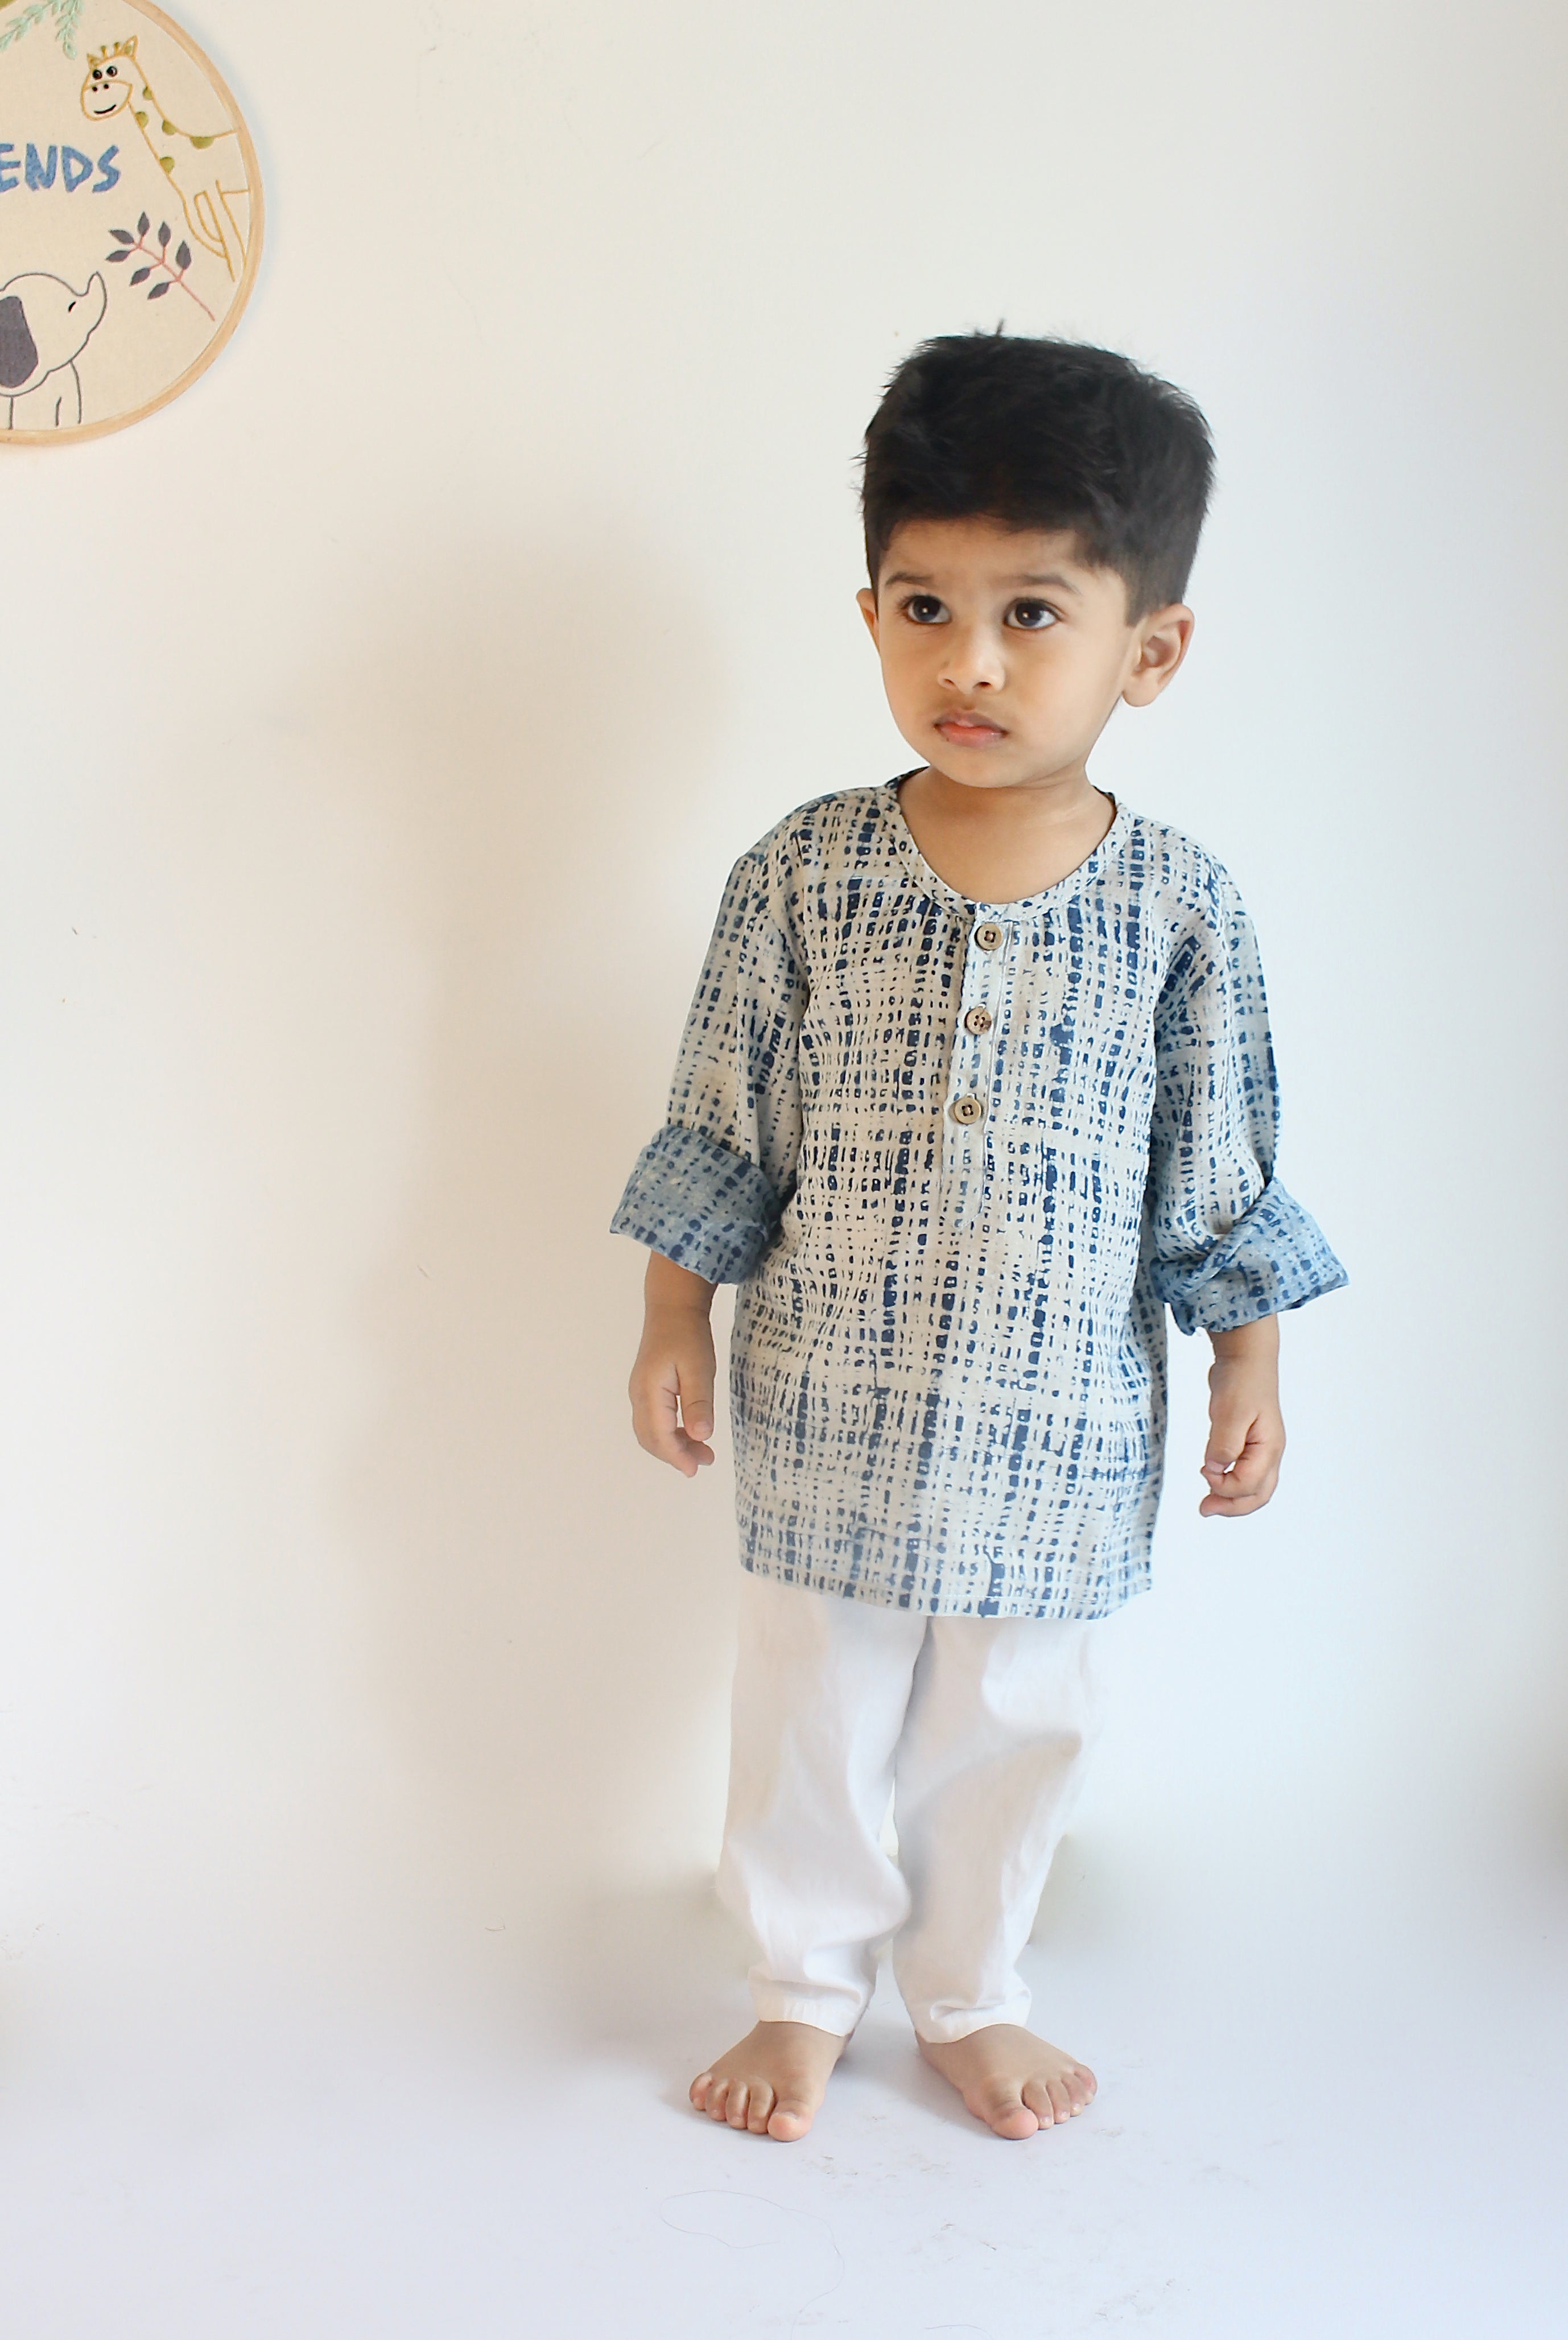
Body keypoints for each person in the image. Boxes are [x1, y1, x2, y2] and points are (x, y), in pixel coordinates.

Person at [609, 332, 1347, 2144]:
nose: (971, 662)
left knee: (1014, 1719)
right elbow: (721, 1120)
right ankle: (799, 1986)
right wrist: (671, 1315)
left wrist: (1249, 1360)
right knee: (808, 1705)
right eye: (926, 607)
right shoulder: (800, 874)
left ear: (1148, 649)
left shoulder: (1177, 906)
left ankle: (967, 1988)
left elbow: (1217, 1168)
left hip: (1061, 1427)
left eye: (1032, 614)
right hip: (826, 1406)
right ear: (868, 612)